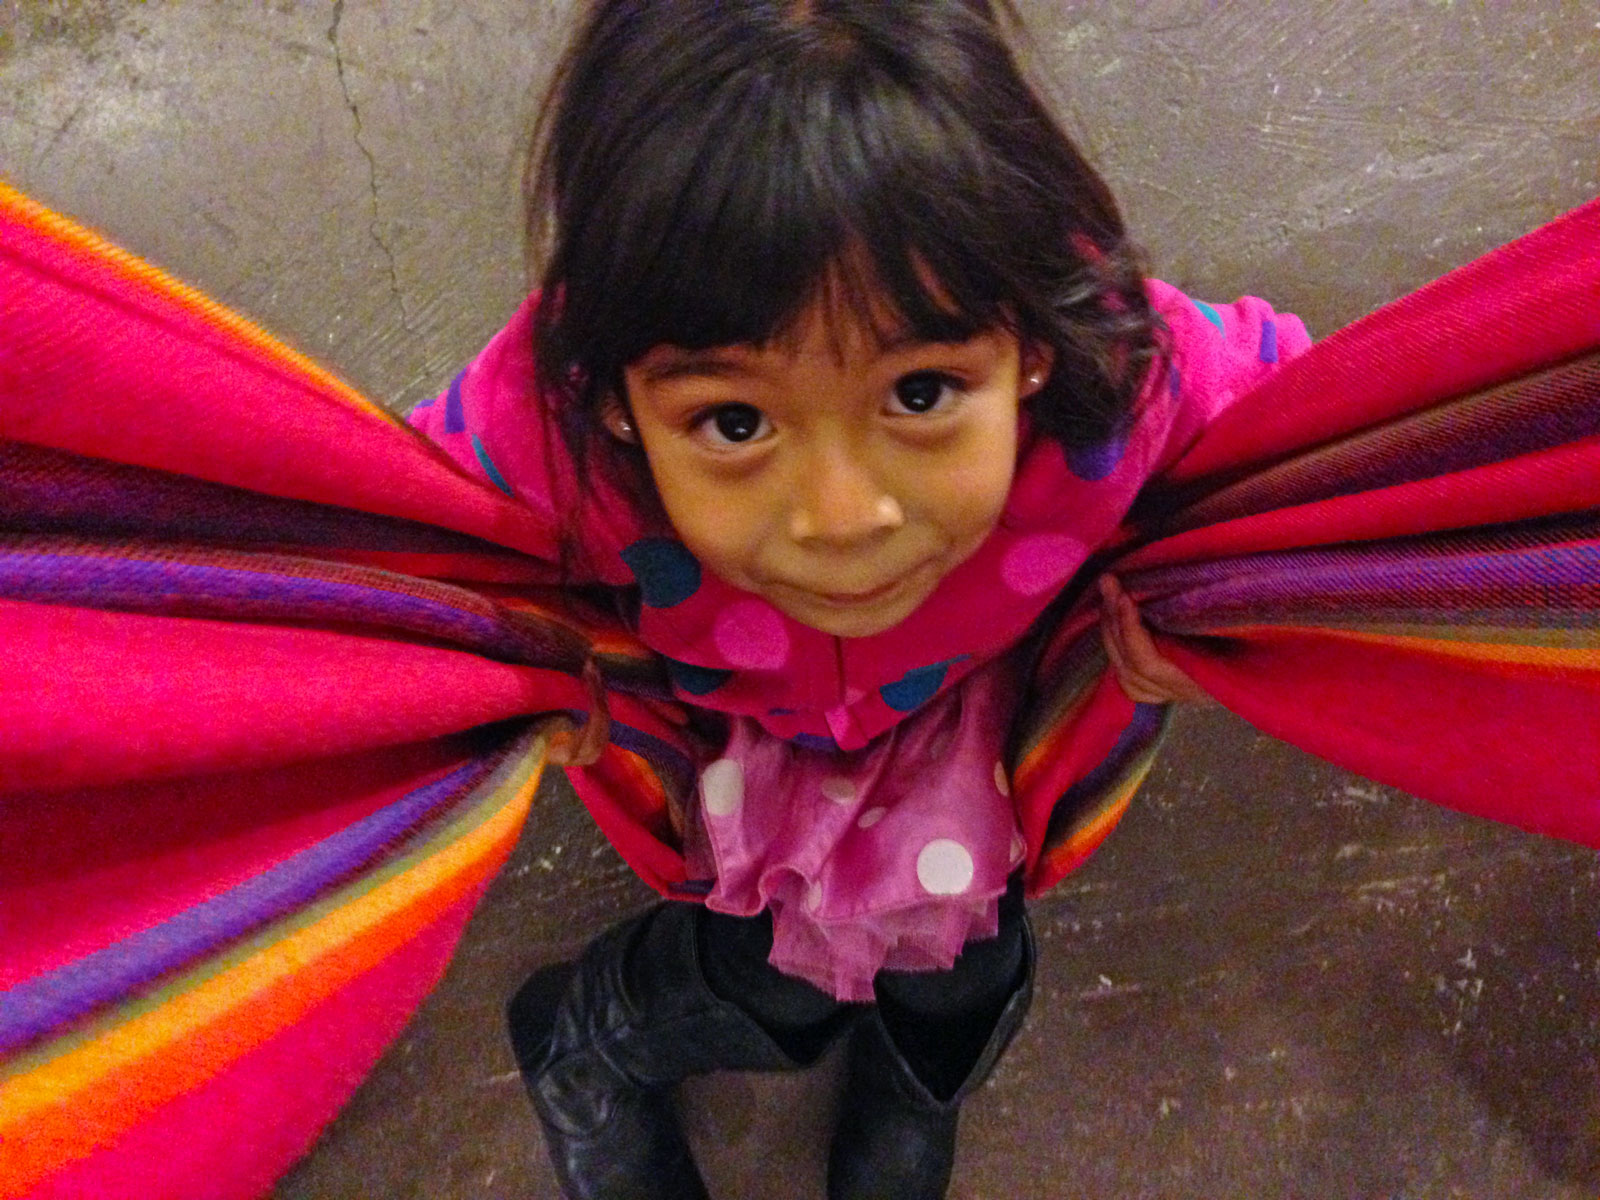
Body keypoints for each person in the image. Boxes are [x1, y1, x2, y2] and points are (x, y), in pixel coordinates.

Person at [408, 2, 1308, 1196]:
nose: (842, 519)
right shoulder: (541, 433)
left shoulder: (1122, 366)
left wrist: (1241, 601)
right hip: (726, 743)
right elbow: (397, 553)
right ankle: (585, 1042)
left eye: (920, 394)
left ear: (1030, 348)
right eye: (735, 422)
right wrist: (503, 682)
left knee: (967, 964)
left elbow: (1321, 439)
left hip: (978, 726)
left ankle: (915, 1077)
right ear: (616, 401)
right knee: (763, 970)